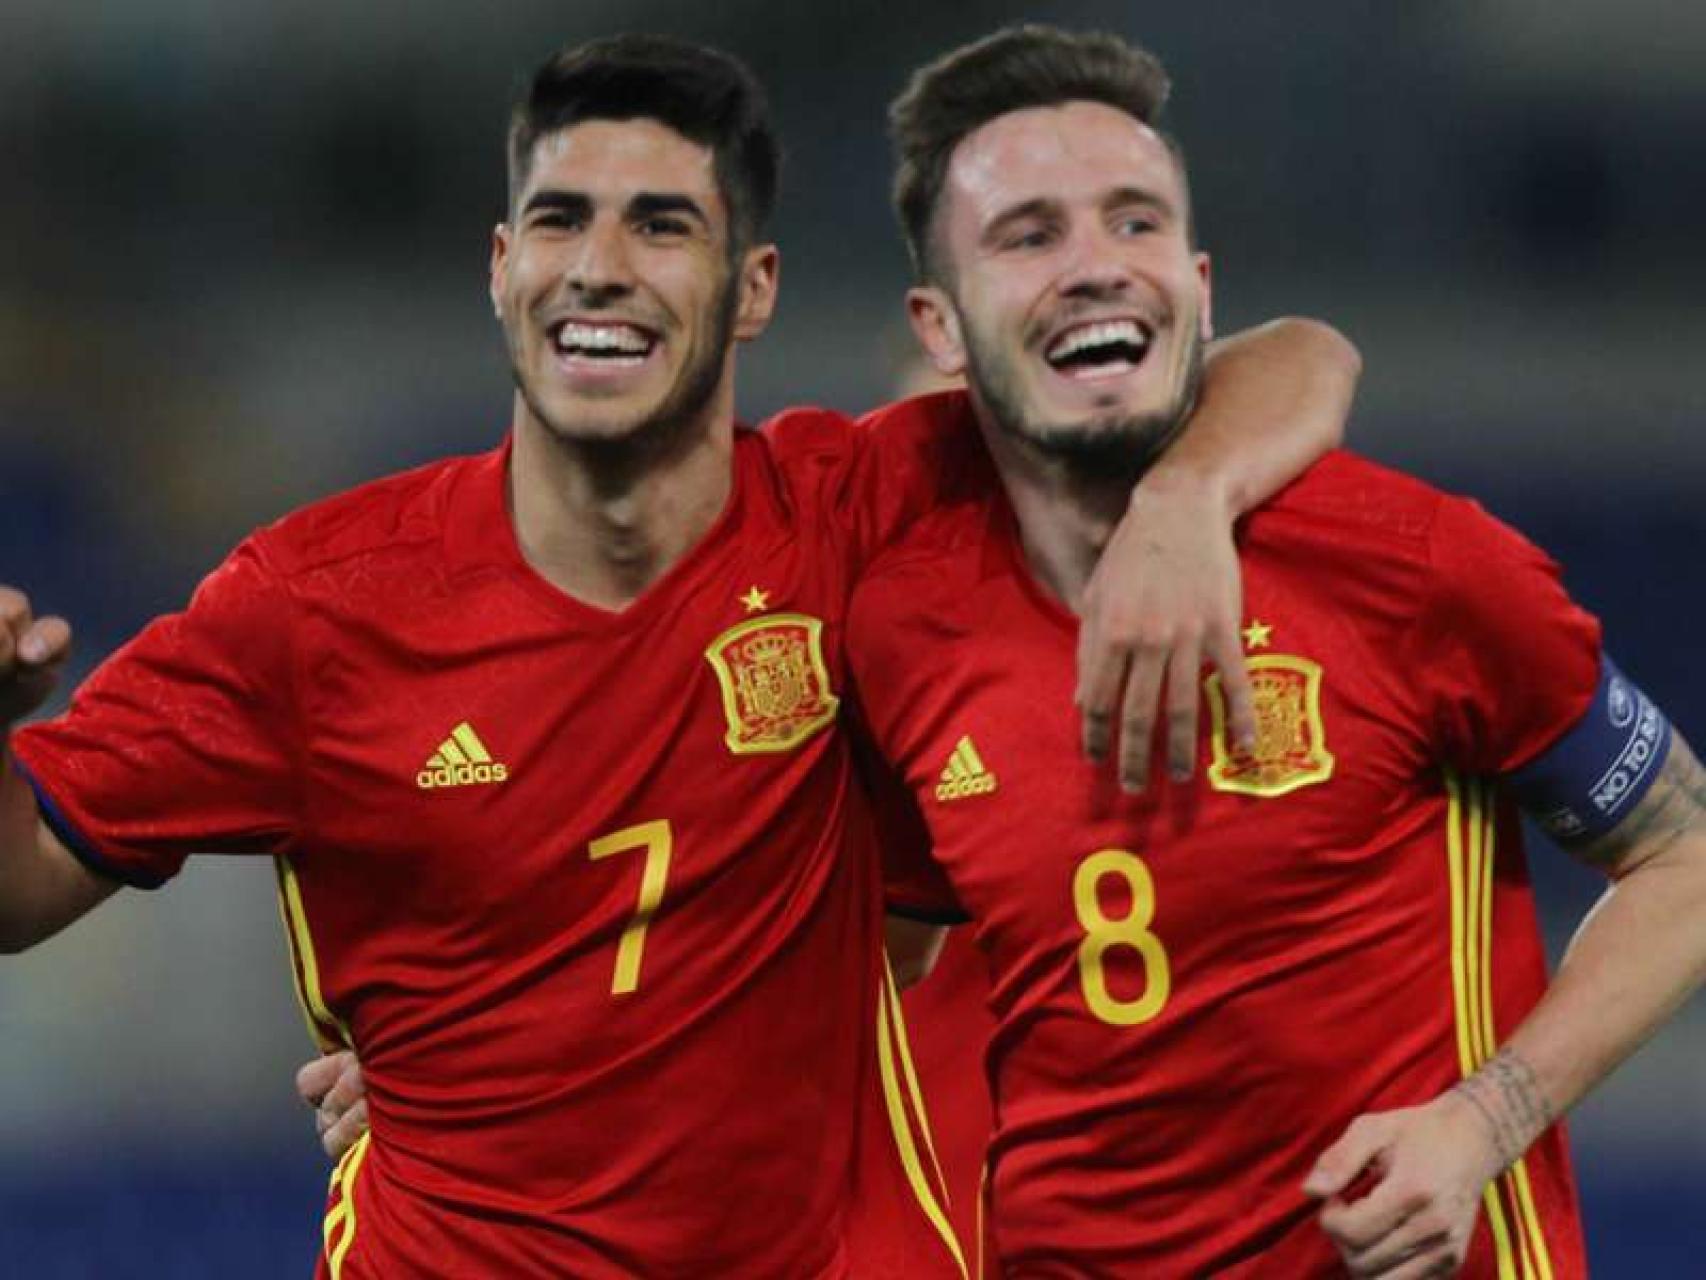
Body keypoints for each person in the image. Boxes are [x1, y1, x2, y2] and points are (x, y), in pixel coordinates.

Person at [0, 33, 1358, 1279]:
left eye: (663, 225)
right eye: (559, 220)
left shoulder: (859, 507)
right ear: (500, 268)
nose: (600, 265)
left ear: (751, 286)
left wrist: (1183, 501)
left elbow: (1297, 355)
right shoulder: (311, 607)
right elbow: (19, 888)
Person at [846, 24, 1706, 1277]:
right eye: (1028, 235)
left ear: (1199, 281)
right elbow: (879, 960)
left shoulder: (1406, 562)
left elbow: (1683, 857)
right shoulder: (906, 621)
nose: (1095, 266)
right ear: (937, 325)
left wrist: (1482, 1120)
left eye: (1133, 222)